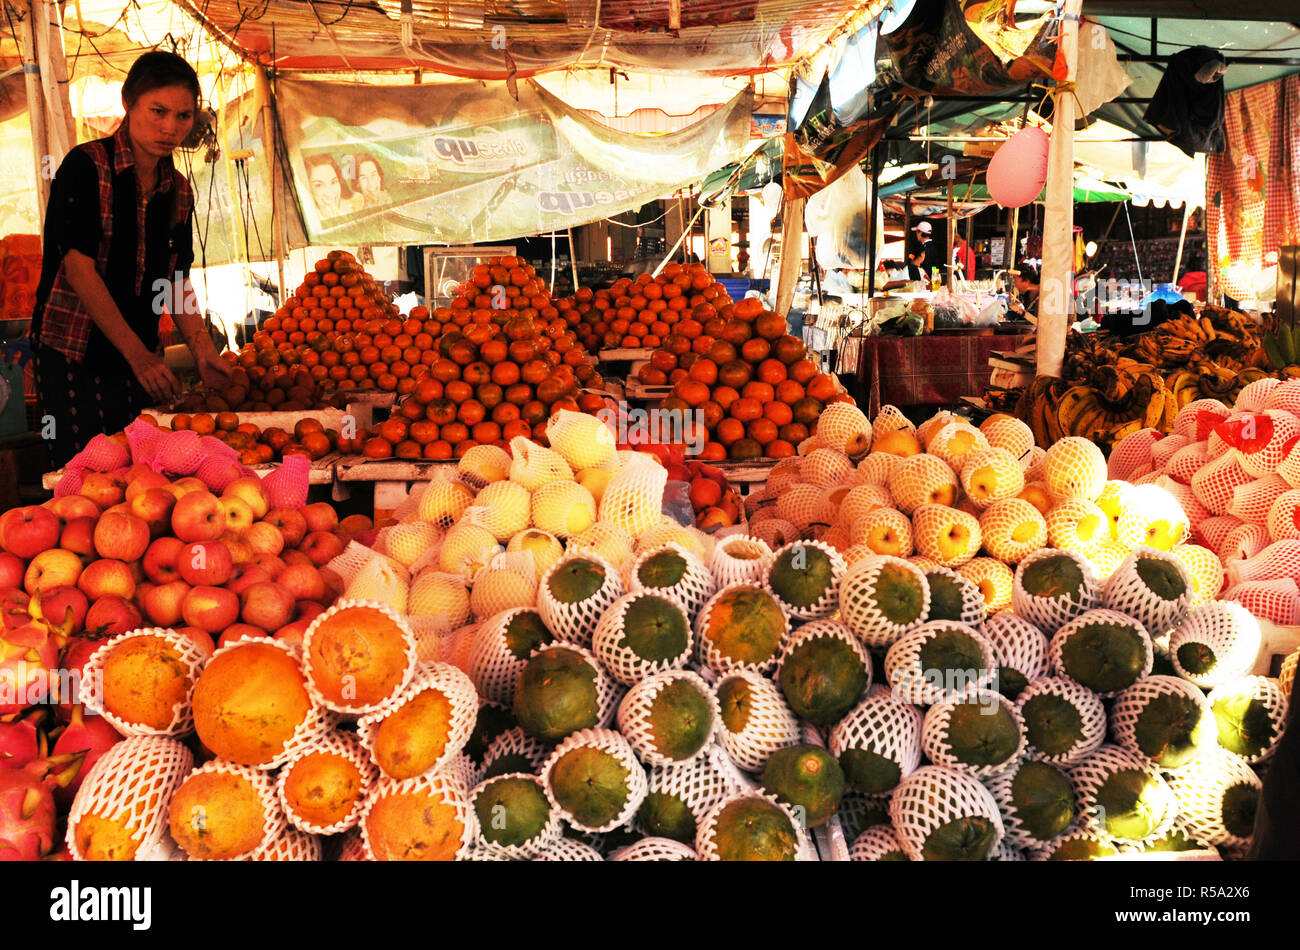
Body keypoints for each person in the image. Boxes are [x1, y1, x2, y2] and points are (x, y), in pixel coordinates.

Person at [31, 50, 231, 469]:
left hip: (140, 356)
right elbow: (78, 268)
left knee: (138, 477)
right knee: (81, 476)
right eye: (158, 111)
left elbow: (177, 278)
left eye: (183, 116)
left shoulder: (177, 188)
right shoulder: (86, 166)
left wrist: (202, 348)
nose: (169, 127)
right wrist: (139, 357)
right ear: (128, 102)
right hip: (75, 352)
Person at [305, 153, 362, 220]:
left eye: (333, 182)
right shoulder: (310, 218)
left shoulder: (353, 207)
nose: (329, 193)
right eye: (319, 185)